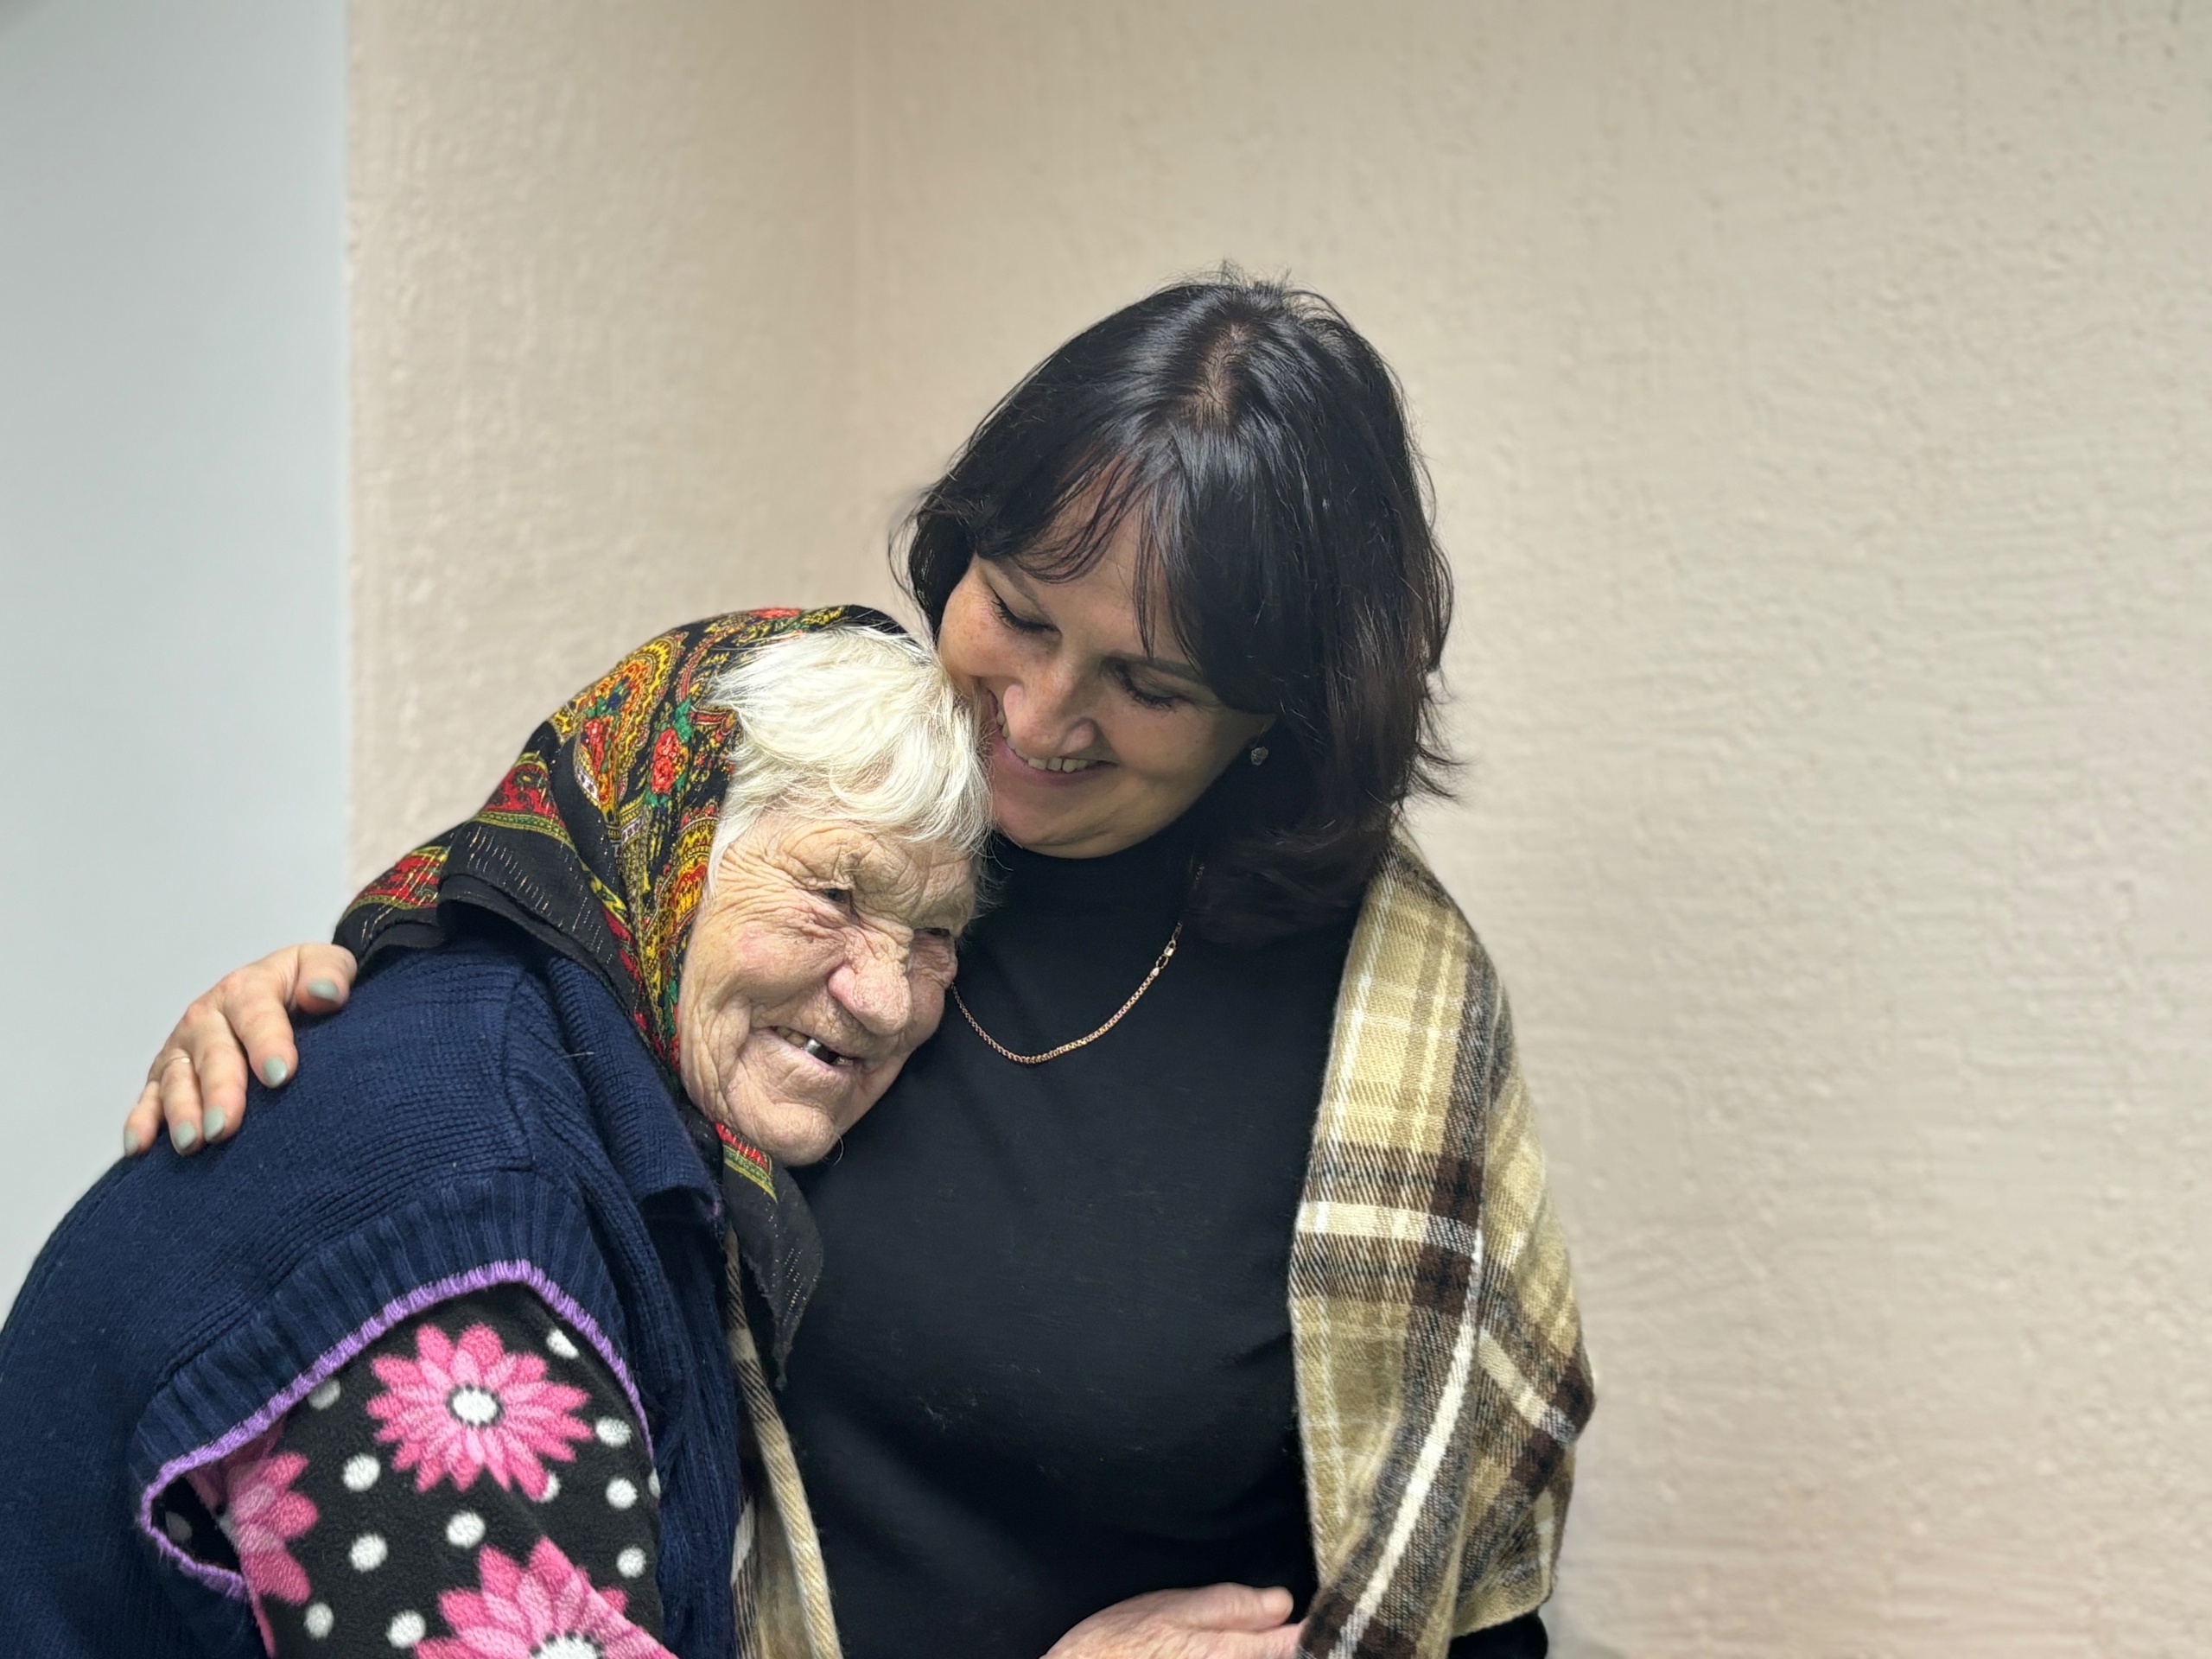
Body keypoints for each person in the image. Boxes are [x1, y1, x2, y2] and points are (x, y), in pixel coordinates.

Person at [125, 274, 1594, 1658]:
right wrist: (326, 1025)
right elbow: (520, 942)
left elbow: (1471, 1584)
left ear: (1276, 713)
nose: (1038, 715)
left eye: (1147, 684)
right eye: (1019, 613)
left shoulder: (1394, 1018)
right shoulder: (808, 779)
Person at [0, 617, 988, 1656]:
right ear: (668, 850)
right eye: (833, 896)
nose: (887, 1000)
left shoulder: (603, 1104)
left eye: (934, 935)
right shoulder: (477, 1203)